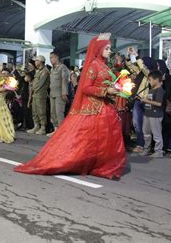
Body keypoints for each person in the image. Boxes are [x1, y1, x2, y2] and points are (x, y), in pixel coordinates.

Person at [14, 33, 127, 179]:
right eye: (107, 48)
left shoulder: (104, 66)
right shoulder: (93, 66)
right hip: (92, 108)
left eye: (110, 48)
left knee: (99, 140)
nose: (110, 51)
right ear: (99, 49)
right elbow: (86, 88)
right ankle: (74, 160)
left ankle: (99, 163)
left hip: (103, 107)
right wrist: (105, 90)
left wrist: (112, 90)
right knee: (83, 139)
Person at [139, 71, 165, 157]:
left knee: (156, 134)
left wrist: (146, 100)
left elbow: (159, 103)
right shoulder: (151, 89)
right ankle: (147, 149)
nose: (149, 82)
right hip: (147, 114)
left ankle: (158, 151)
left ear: (156, 80)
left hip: (155, 115)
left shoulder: (159, 90)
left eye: (150, 80)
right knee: (146, 133)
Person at [48, 52, 69, 136]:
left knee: (59, 113)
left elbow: (64, 80)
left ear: (57, 57)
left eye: (52, 57)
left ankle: (61, 132)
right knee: (53, 113)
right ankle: (56, 129)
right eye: (50, 58)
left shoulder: (62, 68)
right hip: (52, 93)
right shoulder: (52, 69)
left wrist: (64, 93)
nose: (50, 59)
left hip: (60, 94)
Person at [27, 55, 49, 135]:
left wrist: (33, 88)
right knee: (35, 111)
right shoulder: (38, 71)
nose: (35, 62)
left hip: (40, 94)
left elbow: (40, 84)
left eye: (37, 61)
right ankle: (36, 126)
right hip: (35, 94)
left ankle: (43, 127)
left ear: (41, 62)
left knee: (41, 111)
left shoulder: (45, 71)